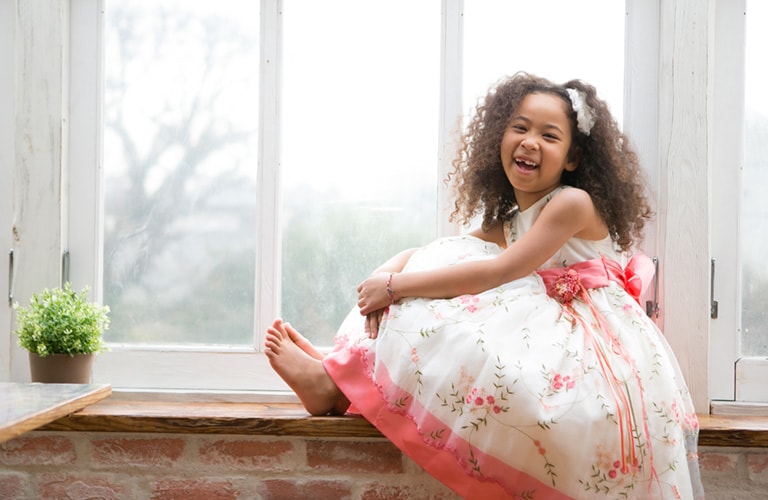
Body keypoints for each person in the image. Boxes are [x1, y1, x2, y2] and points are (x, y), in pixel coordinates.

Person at [265, 72, 704, 499]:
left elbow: (500, 272)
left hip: (593, 342)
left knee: (439, 306)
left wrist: (397, 287)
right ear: (500, 139)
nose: (531, 141)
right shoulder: (514, 221)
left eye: (549, 136)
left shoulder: (572, 202)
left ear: (572, 159)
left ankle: (332, 384)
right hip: (558, 319)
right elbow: (441, 247)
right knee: (440, 263)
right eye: (520, 128)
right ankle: (336, 374)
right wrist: (384, 276)